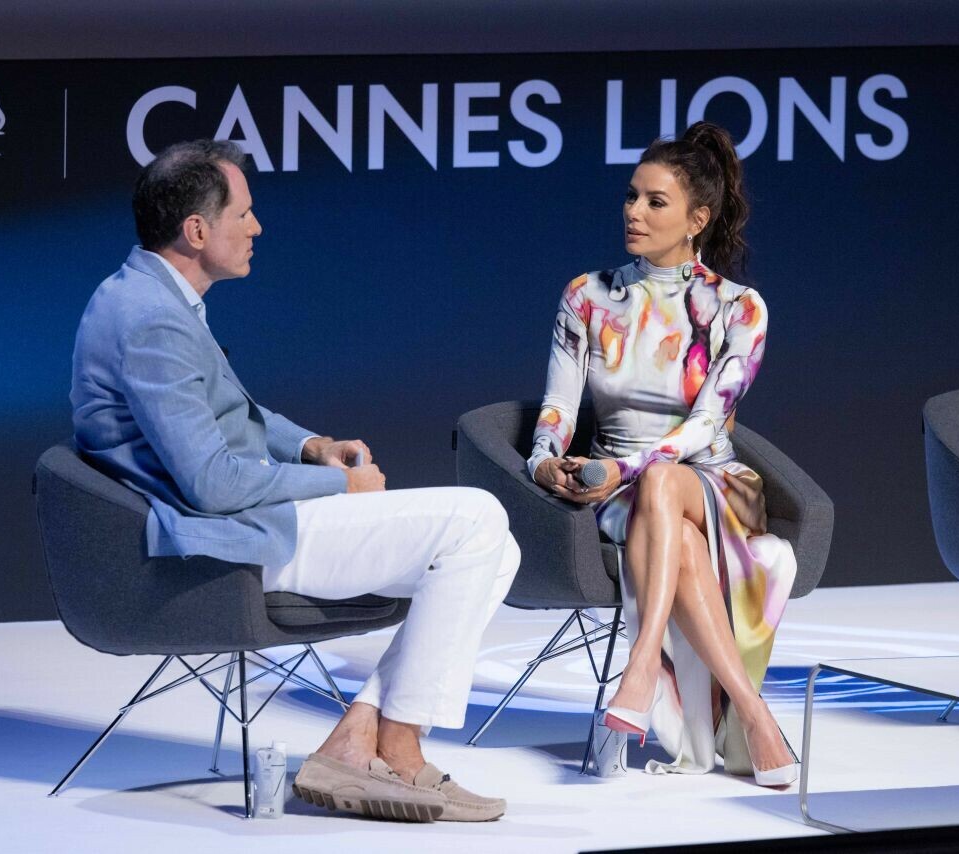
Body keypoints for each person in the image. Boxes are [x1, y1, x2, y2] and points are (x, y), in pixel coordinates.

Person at [70, 139, 519, 822]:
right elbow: (211, 485)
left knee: (497, 550)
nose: (257, 227)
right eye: (243, 214)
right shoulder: (152, 319)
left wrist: (312, 448)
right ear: (196, 231)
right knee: (477, 519)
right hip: (220, 542)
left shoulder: (149, 293)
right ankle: (399, 750)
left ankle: (358, 735)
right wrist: (340, 488)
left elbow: (234, 410)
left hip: (237, 518)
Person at [527, 122, 799, 785]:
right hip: (620, 491)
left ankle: (642, 665)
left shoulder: (740, 308)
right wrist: (543, 460)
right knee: (665, 516)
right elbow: (558, 407)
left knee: (664, 484)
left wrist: (626, 468)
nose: (634, 212)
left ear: (697, 219)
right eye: (631, 196)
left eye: (655, 201)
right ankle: (754, 715)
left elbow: (706, 425)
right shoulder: (587, 295)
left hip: (714, 485)